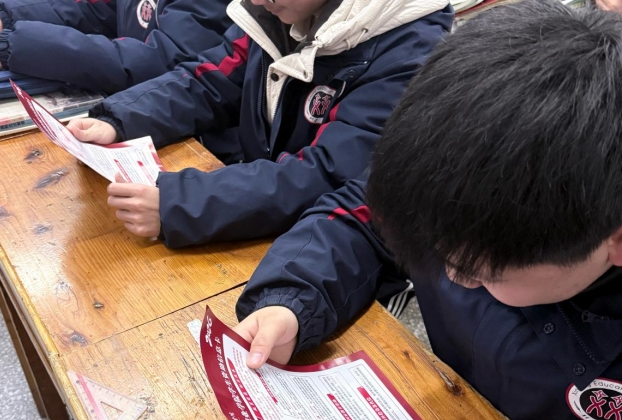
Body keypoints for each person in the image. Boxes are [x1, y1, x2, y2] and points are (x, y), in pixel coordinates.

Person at [232, 0, 622, 420]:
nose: (451, 273)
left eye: (483, 271)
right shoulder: (457, 192)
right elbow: (364, 216)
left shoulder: (548, 209)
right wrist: (293, 300)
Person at [65, 0, 454, 248]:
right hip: (255, 213)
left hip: (336, 254)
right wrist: (121, 118)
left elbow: (330, 174)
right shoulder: (278, 12)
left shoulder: (409, 54)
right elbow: (209, 80)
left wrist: (182, 204)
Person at [0, 0, 233, 95]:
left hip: (187, 132)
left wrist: (17, 46)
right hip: (132, 102)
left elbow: (162, 63)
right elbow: (98, 10)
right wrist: (7, 20)